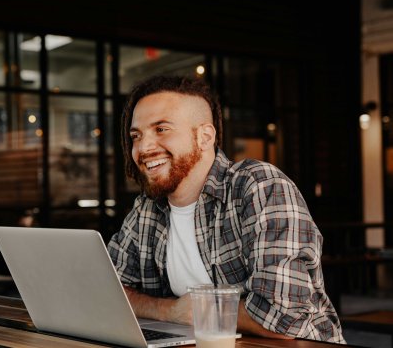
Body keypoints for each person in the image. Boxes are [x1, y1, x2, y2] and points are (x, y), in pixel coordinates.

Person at [107, 75, 345, 343]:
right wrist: (171, 311)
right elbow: (109, 291)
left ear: (205, 136)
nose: (143, 147)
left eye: (161, 129)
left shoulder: (259, 186)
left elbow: (282, 317)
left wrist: (198, 310)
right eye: (136, 135)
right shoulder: (147, 209)